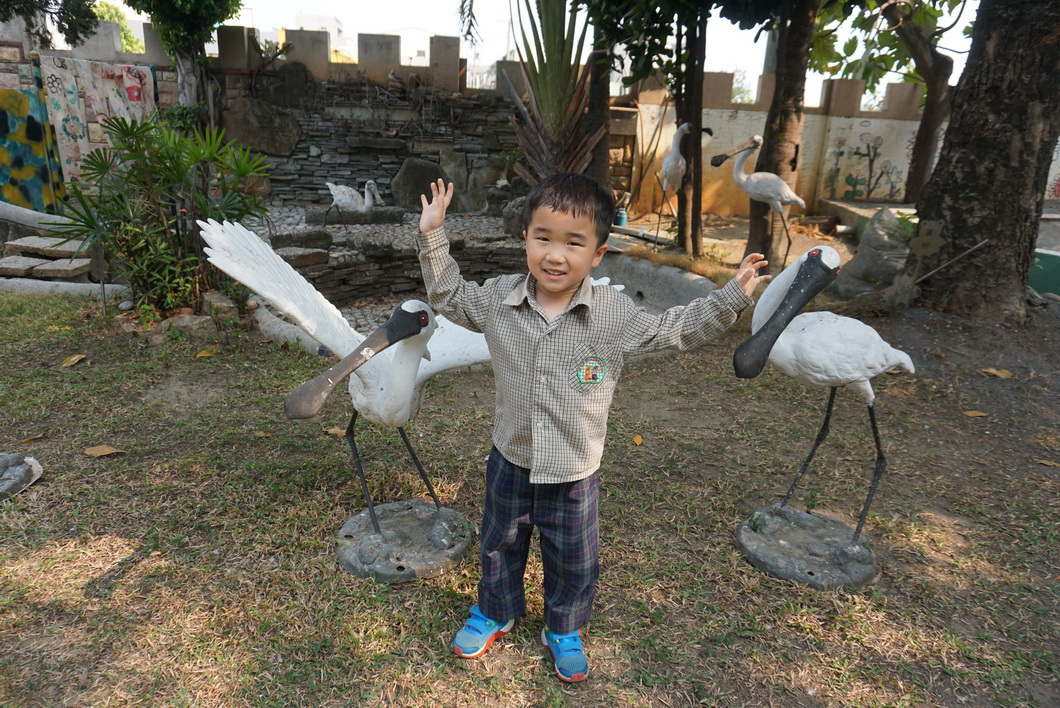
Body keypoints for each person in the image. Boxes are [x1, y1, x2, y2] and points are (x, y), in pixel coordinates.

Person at [416, 174, 770, 683]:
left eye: (573, 243)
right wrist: (432, 234)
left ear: (598, 253)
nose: (555, 255)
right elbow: (449, 294)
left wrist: (730, 296)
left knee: (573, 558)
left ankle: (563, 627)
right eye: (543, 237)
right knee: (499, 545)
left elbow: (672, 330)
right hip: (511, 458)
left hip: (574, 471)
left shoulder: (612, 314)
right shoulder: (498, 300)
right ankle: (495, 611)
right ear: (525, 238)